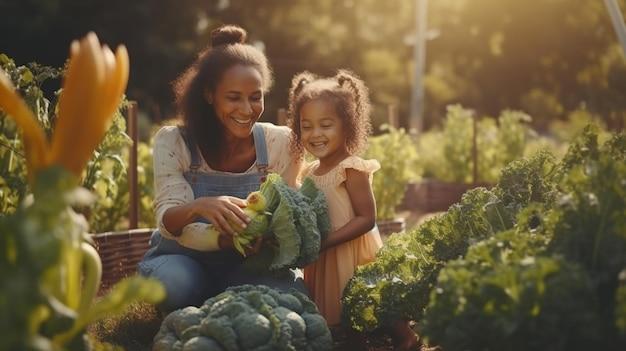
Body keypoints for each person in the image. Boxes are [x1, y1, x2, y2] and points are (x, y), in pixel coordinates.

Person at [138, 25, 306, 315]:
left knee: (290, 292)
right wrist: (200, 207)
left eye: (255, 97)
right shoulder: (174, 141)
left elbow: (290, 210)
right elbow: (169, 222)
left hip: (246, 265)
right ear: (209, 95)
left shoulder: (279, 142)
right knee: (176, 286)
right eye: (233, 97)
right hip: (182, 259)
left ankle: (223, 297)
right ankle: (209, 297)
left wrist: (272, 235)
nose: (246, 109)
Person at [287, 70, 419, 350]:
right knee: (345, 311)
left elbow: (367, 218)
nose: (315, 134)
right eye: (306, 126)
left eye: (326, 125)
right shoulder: (310, 172)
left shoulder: (351, 168)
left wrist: (327, 241)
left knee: (372, 298)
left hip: (353, 251)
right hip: (325, 254)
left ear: (347, 125)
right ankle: (356, 343)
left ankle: (405, 338)